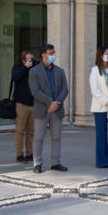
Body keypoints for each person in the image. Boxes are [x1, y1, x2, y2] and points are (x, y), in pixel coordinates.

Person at [29, 43, 69, 173]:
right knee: (39, 137)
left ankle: (55, 162)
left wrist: (56, 102)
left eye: (53, 53)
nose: (53, 55)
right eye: (50, 53)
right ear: (43, 55)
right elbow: (35, 91)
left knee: (56, 136)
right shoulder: (34, 71)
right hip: (42, 109)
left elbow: (65, 89)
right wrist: (49, 102)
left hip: (56, 108)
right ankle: (37, 163)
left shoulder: (60, 71)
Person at [10, 50, 35, 163]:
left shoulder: (35, 70)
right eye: (29, 60)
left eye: (32, 59)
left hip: (33, 104)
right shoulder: (18, 68)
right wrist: (25, 67)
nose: (31, 62)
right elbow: (15, 77)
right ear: (24, 60)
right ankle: (19, 154)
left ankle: (30, 153)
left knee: (31, 131)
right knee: (20, 130)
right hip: (21, 104)